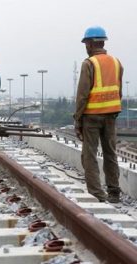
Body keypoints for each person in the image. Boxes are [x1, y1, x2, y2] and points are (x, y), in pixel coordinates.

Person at [74, 26, 123, 203]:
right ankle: (114, 192)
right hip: (111, 115)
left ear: (89, 44)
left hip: (92, 116)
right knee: (110, 153)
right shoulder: (117, 63)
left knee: (90, 154)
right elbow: (119, 91)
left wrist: (77, 119)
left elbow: (82, 95)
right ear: (103, 42)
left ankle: (97, 194)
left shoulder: (89, 64)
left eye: (86, 43)